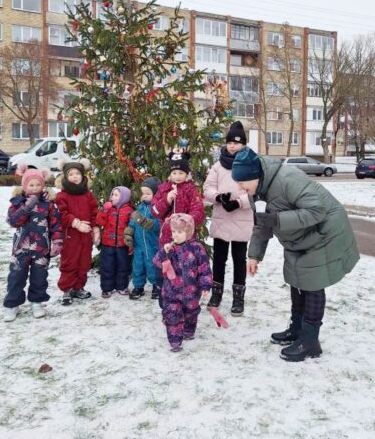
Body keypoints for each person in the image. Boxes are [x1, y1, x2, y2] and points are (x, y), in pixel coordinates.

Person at [231, 147, 359, 362]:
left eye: (243, 184)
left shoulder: (288, 179)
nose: (241, 190)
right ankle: (297, 329)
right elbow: (262, 223)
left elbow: (316, 211)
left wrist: (278, 220)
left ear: (255, 176)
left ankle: (310, 342)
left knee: (312, 283)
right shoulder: (258, 190)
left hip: (324, 232)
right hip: (299, 236)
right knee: (296, 279)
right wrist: (254, 256)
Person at [202, 121, 253, 316]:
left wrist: (239, 202)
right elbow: (207, 187)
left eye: (237, 142)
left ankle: (238, 297)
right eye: (230, 142)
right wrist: (218, 197)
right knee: (220, 259)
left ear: (244, 144)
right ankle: (217, 293)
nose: (232, 145)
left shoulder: (251, 164)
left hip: (241, 218)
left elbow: (255, 192)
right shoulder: (217, 166)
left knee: (239, 259)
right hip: (222, 217)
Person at [3, 164, 64, 322]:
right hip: (21, 249)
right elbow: (13, 221)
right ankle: (12, 305)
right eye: (31, 185)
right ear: (24, 185)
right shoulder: (17, 202)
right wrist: (26, 207)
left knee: (39, 277)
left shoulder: (49, 204)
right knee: (16, 276)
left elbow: (56, 224)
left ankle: (37, 302)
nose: (35, 188)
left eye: (38, 184)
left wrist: (57, 241)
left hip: (41, 249)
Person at [152, 213, 213, 352]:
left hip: (192, 291)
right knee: (172, 314)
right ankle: (175, 341)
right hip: (171, 291)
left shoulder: (197, 248)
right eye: (174, 231)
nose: (176, 235)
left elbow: (204, 268)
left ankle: (188, 331)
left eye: (180, 232)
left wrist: (205, 286)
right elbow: (156, 262)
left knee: (191, 312)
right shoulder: (170, 248)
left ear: (189, 232)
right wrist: (163, 252)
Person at [54, 158, 98, 306]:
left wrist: (95, 228)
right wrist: (76, 223)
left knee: (84, 262)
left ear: (82, 175)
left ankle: (78, 287)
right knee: (70, 262)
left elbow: (94, 212)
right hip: (70, 236)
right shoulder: (62, 196)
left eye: (77, 173)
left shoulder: (88, 195)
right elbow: (62, 213)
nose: (74, 176)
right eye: (71, 174)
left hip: (85, 236)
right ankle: (66, 289)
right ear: (65, 177)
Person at [150, 151, 205, 248]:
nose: (177, 176)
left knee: (183, 261)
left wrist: (185, 222)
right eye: (174, 173)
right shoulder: (163, 188)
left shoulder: (191, 190)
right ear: (170, 174)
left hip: (185, 236)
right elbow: (155, 211)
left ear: (187, 174)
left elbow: (198, 211)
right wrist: (166, 200)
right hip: (166, 236)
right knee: (167, 261)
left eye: (181, 173)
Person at [125, 177, 163, 301]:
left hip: (152, 245)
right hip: (139, 245)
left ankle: (156, 286)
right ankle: (138, 286)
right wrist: (129, 233)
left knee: (152, 265)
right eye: (143, 193)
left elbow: (159, 224)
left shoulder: (157, 208)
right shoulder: (140, 208)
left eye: (148, 193)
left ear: (156, 194)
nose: (144, 196)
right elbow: (133, 222)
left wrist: (146, 222)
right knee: (138, 266)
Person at [95, 185, 134, 297]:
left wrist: (131, 244)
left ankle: (121, 286)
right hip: (108, 244)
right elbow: (99, 221)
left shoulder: (129, 211)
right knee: (107, 266)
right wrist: (104, 209)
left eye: (116, 195)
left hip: (123, 245)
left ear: (124, 197)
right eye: (112, 194)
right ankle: (107, 288)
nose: (112, 197)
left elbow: (132, 228)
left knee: (123, 266)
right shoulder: (108, 209)